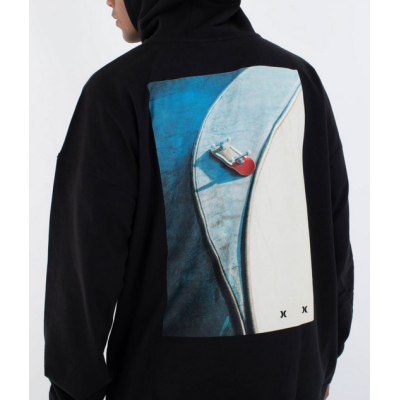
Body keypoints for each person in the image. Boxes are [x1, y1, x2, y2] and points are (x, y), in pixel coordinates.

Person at [43, 1, 354, 399]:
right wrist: (323, 363)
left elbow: (82, 269)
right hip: (292, 376)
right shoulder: (297, 77)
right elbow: (333, 236)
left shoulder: (116, 91)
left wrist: (72, 391)